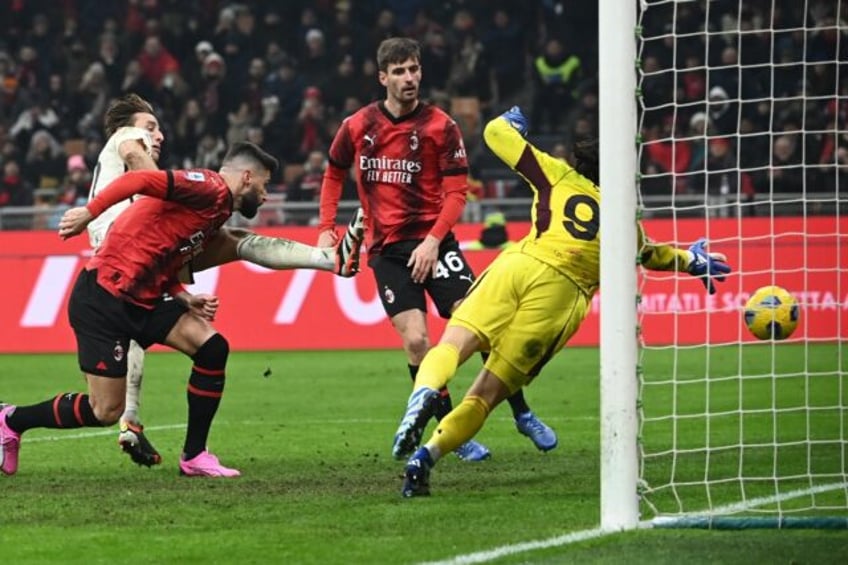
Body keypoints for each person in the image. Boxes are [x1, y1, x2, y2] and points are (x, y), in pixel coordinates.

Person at [393, 107, 732, 497]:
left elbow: (494, 135)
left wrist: (512, 120)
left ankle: (422, 397)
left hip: (519, 266)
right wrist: (692, 260)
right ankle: (426, 457)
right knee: (485, 395)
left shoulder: (558, 174)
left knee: (453, 344)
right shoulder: (624, 220)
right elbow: (651, 255)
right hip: (560, 298)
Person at [84, 94, 364, 468]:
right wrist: (159, 196)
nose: (159, 134)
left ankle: (328, 259)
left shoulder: (133, 153)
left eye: (159, 127)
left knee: (232, 241)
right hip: (121, 249)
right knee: (127, 347)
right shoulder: (126, 139)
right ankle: (128, 419)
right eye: (151, 126)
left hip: (146, 252)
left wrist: (181, 293)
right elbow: (142, 169)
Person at [317, 37, 557, 462]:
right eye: (400, 72)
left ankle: (522, 412)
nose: (409, 78)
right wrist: (325, 229)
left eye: (414, 70)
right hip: (388, 251)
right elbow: (334, 172)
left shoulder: (440, 126)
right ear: (383, 77)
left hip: (435, 242)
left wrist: (432, 241)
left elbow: (457, 194)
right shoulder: (358, 125)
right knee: (416, 342)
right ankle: (454, 433)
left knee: (484, 324)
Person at [0, 142, 283, 478]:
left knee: (212, 348)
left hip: (144, 299)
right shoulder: (207, 186)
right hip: (104, 298)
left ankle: (194, 456)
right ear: (247, 177)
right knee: (105, 410)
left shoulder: (218, 210)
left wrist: (181, 295)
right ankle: (11, 420)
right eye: (264, 186)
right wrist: (88, 212)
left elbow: (160, 251)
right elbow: (139, 181)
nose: (265, 196)